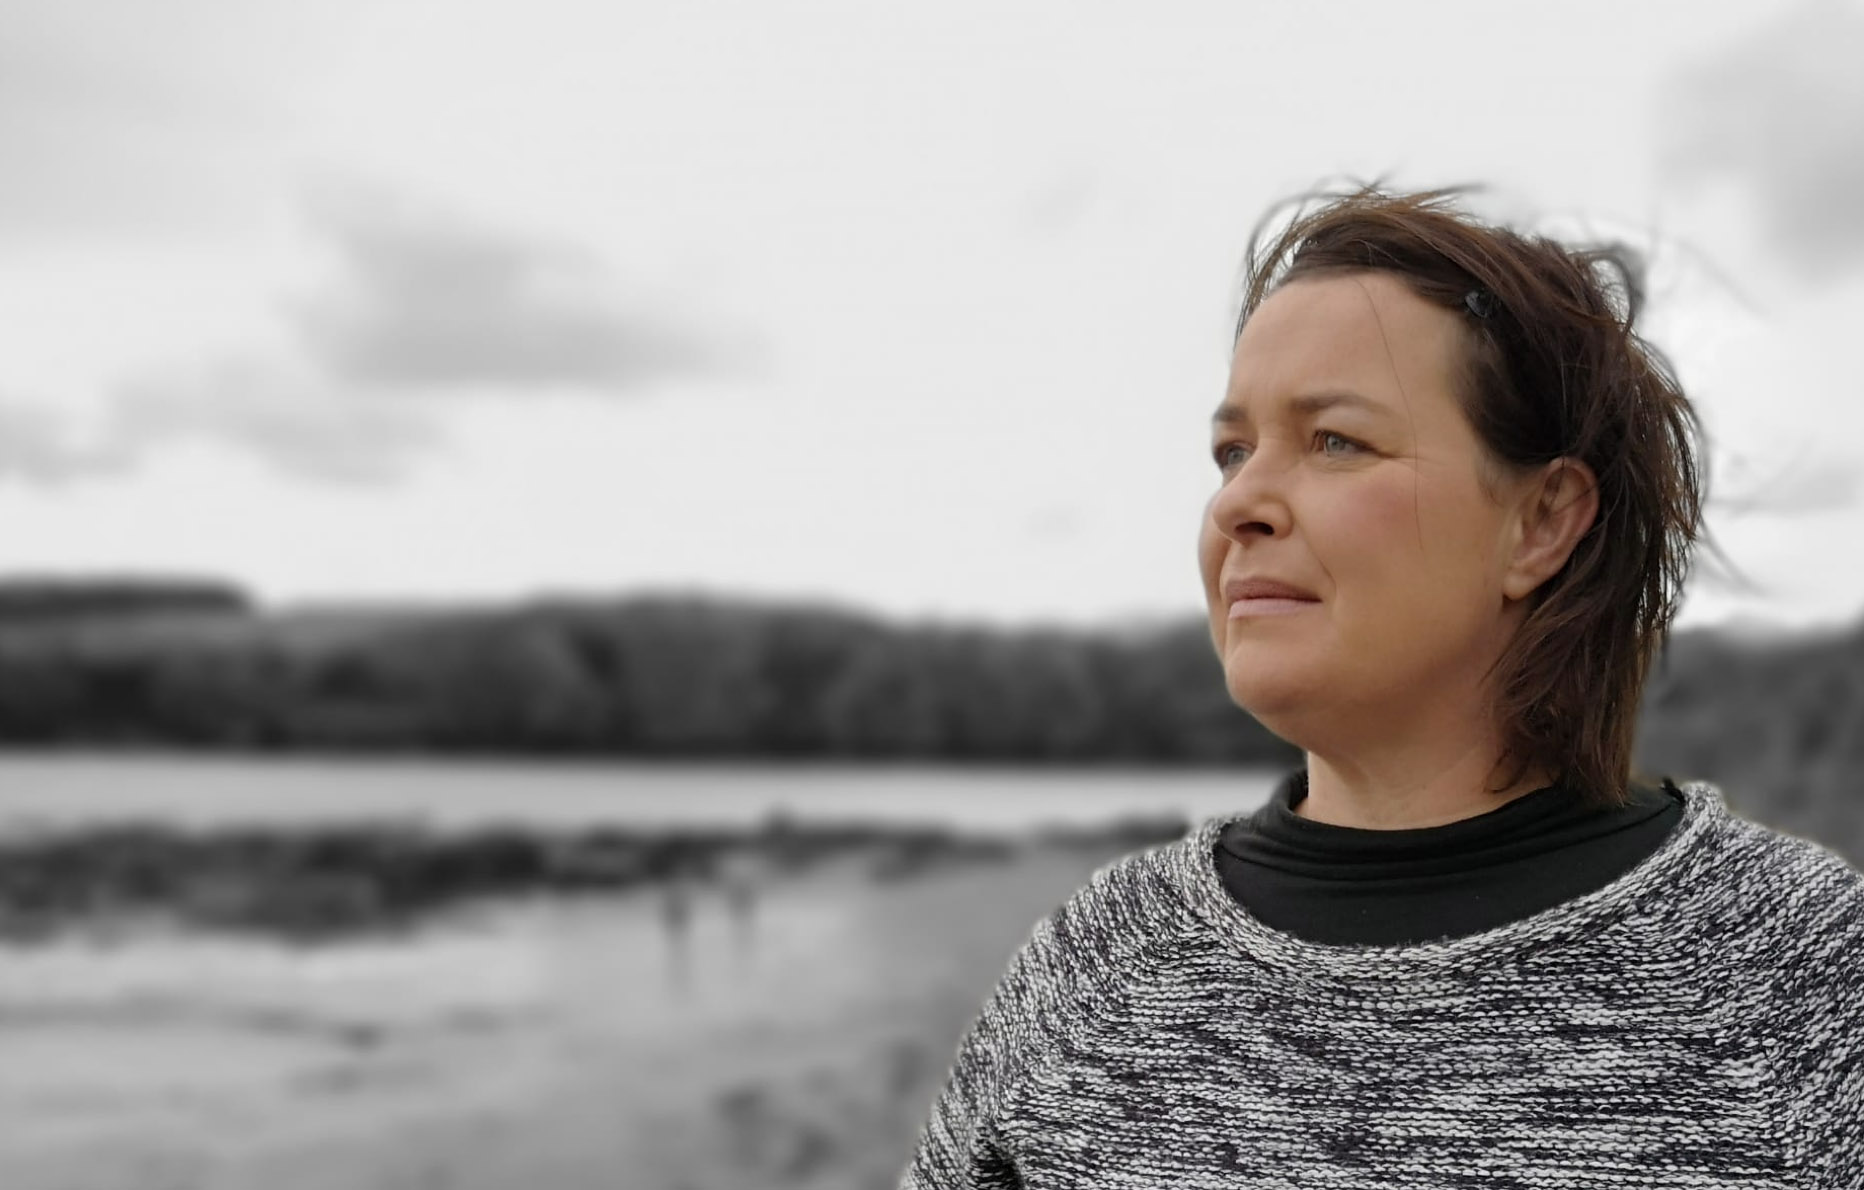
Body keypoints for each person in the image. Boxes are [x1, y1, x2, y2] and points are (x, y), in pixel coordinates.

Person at [898, 183, 1864, 1186]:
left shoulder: (1791, 966)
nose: (1238, 502)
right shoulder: (1094, 963)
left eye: (1335, 440)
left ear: (1539, 523)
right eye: (1232, 451)